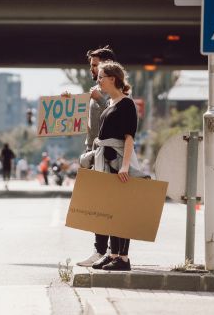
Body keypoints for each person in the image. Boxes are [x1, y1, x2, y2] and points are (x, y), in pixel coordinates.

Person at [87, 61, 143, 271]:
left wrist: (125, 166)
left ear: (113, 78)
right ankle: (113, 254)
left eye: (101, 76)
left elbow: (129, 139)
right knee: (110, 209)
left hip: (118, 161)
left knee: (122, 210)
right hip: (106, 160)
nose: (98, 80)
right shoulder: (110, 103)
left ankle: (123, 258)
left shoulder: (126, 104)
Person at [75, 46, 117, 268]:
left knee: (105, 205)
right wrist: (69, 102)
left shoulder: (115, 91)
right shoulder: (96, 89)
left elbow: (116, 115)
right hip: (92, 152)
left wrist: (100, 99)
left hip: (106, 155)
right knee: (96, 204)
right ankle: (102, 250)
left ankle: (106, 251)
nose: (91, 69)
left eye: (95, 65)